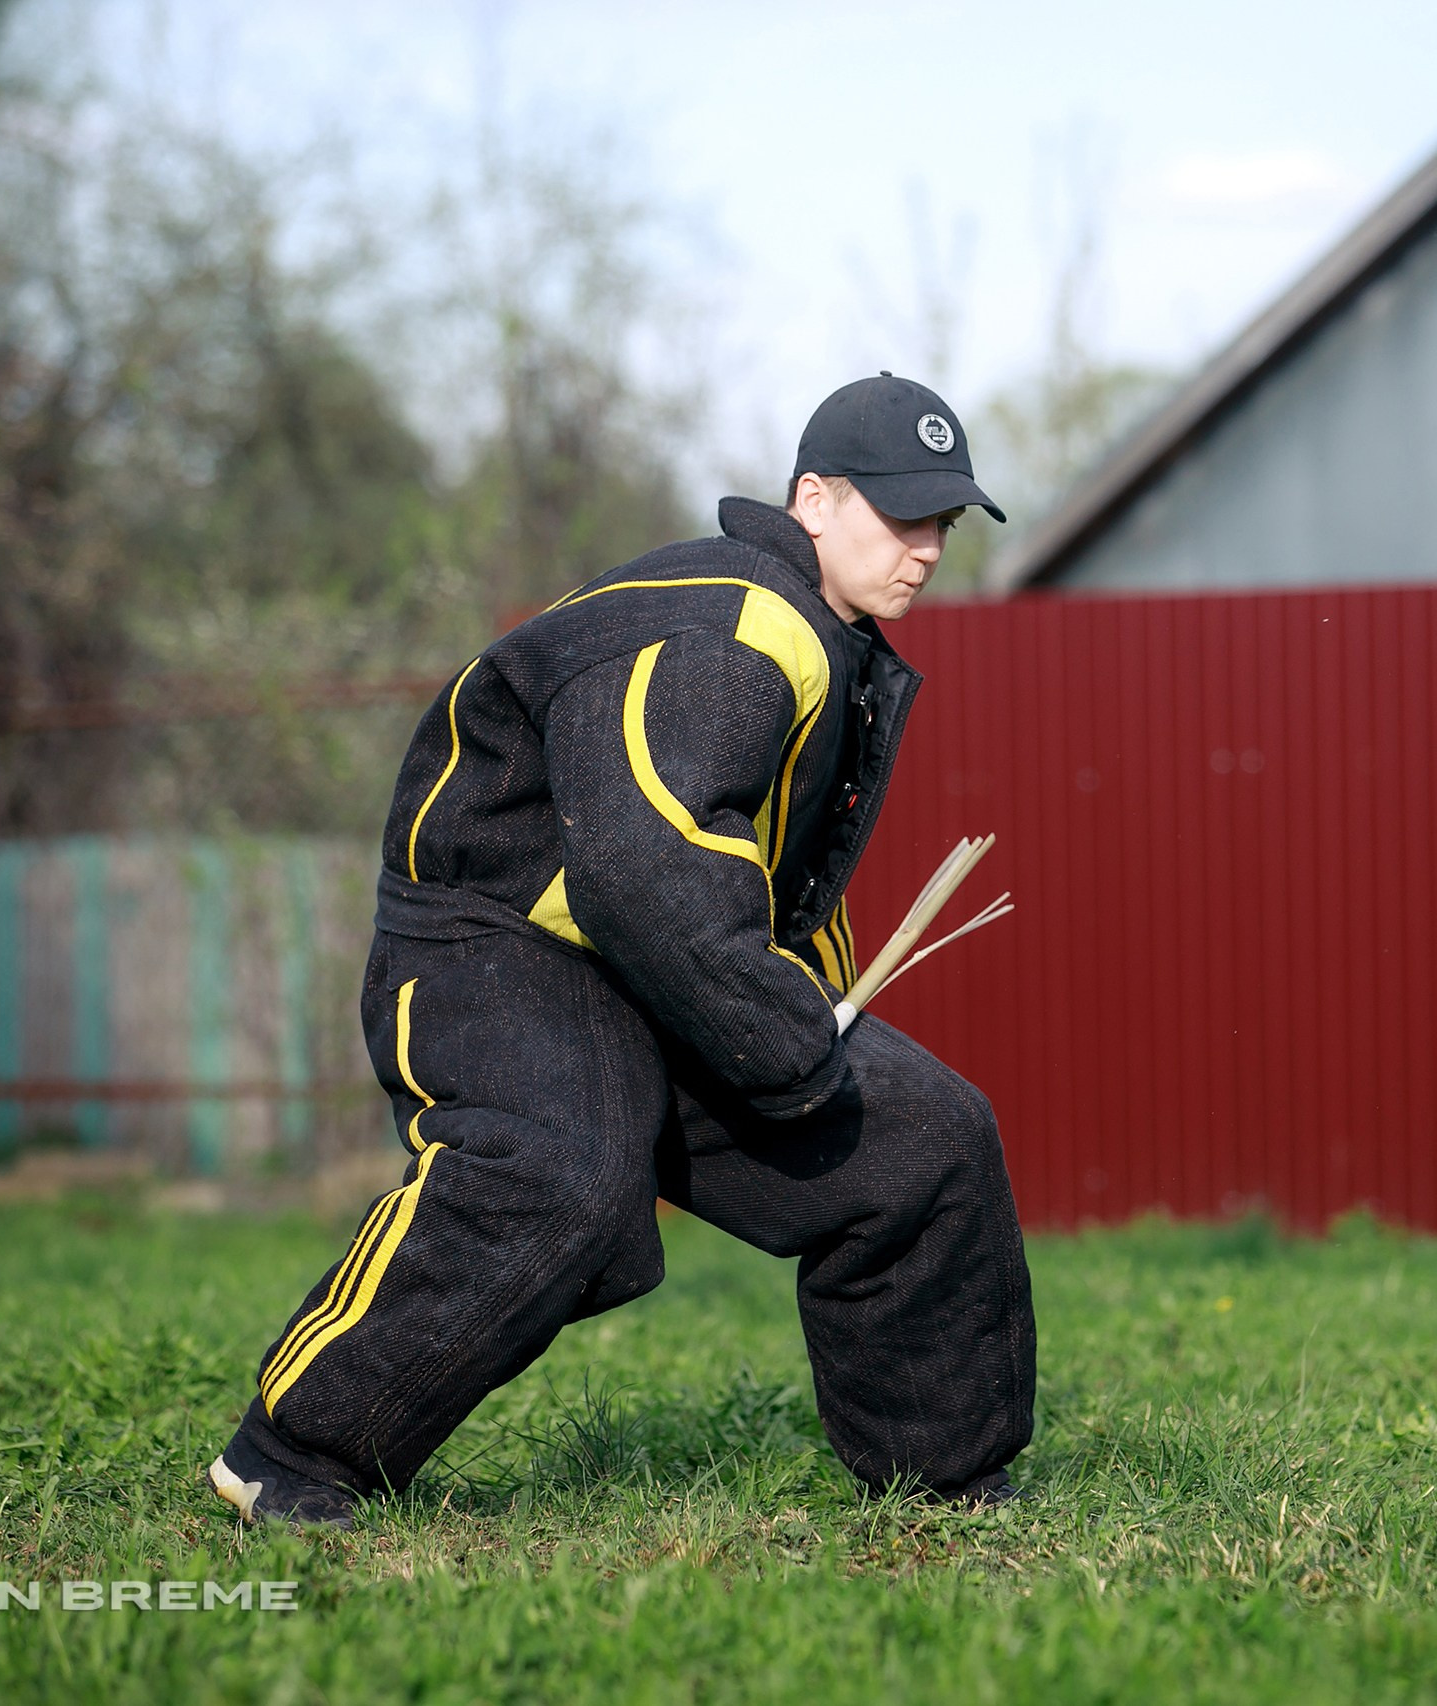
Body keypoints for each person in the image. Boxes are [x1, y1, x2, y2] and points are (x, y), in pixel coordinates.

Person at [208, 375, 1037, 1526]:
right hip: (495, 943)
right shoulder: (730, 626)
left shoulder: (829, 639)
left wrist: (818, 1012)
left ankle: (943, 1478)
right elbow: (645, 865)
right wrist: (785, 1040)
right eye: (901, 515)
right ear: (813, 498)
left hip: (648, 957)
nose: (927, 548)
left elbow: (765, 879)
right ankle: (291, 1453)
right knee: (563, 1175)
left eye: (942, 520)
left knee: (924, 1138)